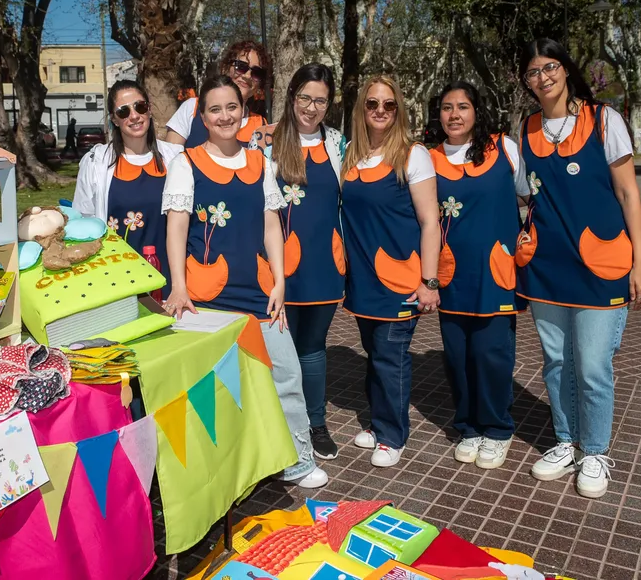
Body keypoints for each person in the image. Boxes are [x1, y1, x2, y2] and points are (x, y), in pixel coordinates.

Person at [162, 75, 328, 488]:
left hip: (259, 293)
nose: (224, 116)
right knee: (219, 388)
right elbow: (177, 230)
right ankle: (229, 473)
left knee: (285, 374)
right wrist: (178, 287)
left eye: (231, 107)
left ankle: (297, 461)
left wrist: (279, 283)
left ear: (244, 110)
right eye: (215, 109)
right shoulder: (186, 163)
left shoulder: (261, 162)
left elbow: (273, 225)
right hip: (206, 297)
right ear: (202, 116)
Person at [518, 38, 641, 498]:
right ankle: (566, 440)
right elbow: (524, 192)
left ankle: (595, 450)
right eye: (533, 71)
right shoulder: (527, 127)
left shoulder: (604, 120)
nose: (543, 77)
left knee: (592, 364)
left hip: (603, 262)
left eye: (550, 67)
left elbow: (630, 194)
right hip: (547, 266)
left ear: (566, 69)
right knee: (556, 362)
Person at [430, 80, 531, 470]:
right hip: (451, 273)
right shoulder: (427, 157)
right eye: (446, 108)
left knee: (491, 354)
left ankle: (498, 428)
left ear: (477, 111)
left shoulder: (503, 149)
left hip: (495, 272)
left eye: (463, 107)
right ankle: (468, 426)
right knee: (457, 355)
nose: (454, 115)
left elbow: (529, 195)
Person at [341, 76, 441, 467]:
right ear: (361, 109)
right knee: (374, 352)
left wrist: (429, 281)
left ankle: (392, 434)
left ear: (398, 109)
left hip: (400, 279)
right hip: (362, 280)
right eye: (372, 104)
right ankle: (378, 422)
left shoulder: (412, 155)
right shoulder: (351, 153)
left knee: (391, 355)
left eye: (388, 105)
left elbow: (430, 221)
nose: (380, 111)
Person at [250, 64, 346, 460]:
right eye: (305, 97)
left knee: (312, 347)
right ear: (292, 97)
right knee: (276, 350)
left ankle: (315, 423)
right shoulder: (267, 144)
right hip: (277, 268)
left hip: (324, 264)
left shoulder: (339, 144)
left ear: (329, 104)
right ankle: (276, 428)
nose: (311, 106)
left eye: (320, 100)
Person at [74, 81, 182, 292]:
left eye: (140, 107)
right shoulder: (95, 162)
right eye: (124, 111)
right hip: (116, 279)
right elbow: (82, 224)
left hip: (168, 276)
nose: (134, 116)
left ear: (149, 109)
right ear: (114, 119)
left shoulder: (176, 158)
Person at [165, 40, 269, 147]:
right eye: (241, 66)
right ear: (225, 68)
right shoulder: (192, 108)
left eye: (257, 73)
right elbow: (169, 159)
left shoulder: (260, 126)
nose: (247, 76)